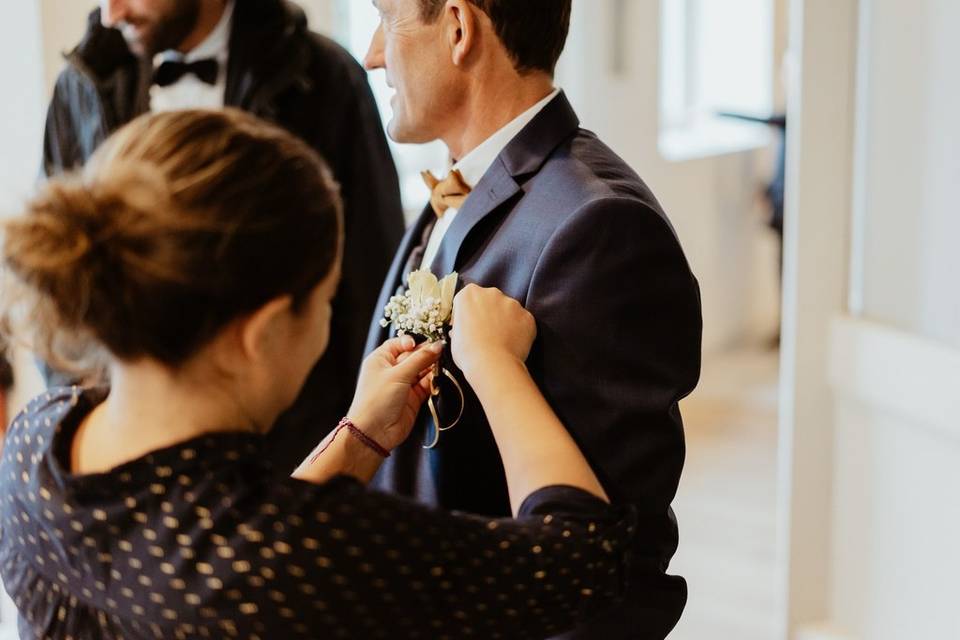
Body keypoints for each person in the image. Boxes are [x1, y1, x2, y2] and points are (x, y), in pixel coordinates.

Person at [0, 109, 635, 639]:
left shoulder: (35, 439)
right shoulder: (300, 555)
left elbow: (209, 543)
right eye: (325, 300)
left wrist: (357, 437)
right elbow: (581, 558)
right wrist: (495, 365)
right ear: (264, 331)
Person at [362, 1, 702, 637]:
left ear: (459, 29)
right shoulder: (458, 188)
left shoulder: (599, 225)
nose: (373, 53)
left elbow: (617, 565)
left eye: (389, 19)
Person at [41, 0, 405, 472]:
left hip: (291, 455)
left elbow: (371, 275)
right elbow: (61, 281)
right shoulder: (80, 85)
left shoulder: (326, 80)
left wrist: (343, 453)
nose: (112, 13)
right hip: (129, 460)